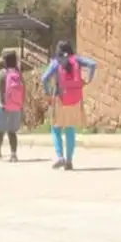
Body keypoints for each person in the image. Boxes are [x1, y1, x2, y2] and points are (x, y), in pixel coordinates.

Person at [41, 41, 97, 171]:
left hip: (60, 98)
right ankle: (69, 161)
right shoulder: (77, 60)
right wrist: (88, 80)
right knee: (70, 128)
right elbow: (93, 64)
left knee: (55, 129)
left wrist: (48, 92)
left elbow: (44, 78)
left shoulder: (56, 62)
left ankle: (60, 157)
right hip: (75, 99)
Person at [0, 51, 23, 161]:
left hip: (3, 105)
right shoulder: (18, 73)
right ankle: (13, 154)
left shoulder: (2, 73)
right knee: (12, 132)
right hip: (16, 106)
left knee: (0, 131)